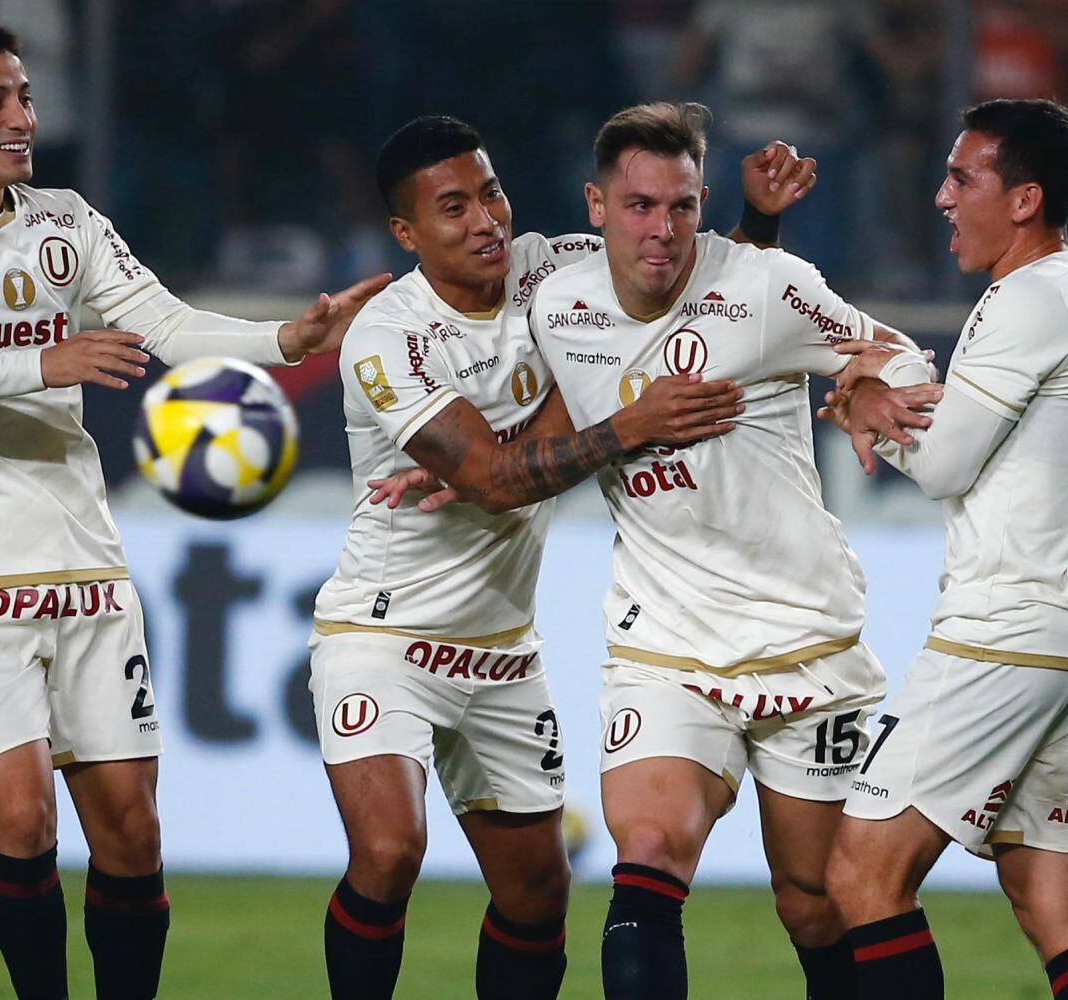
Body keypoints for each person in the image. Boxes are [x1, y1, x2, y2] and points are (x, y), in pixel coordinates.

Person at [0, 22, 389, 999]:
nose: (21, 119)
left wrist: (287, 338)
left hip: (83, 560)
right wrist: (43, 361)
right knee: (22, 824)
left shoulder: (65, 224)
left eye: (27, 98)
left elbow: (168, 324)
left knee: (130, 831)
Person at [381, 102, 936, 1000]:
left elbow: (889, 348)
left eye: (680, 207)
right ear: (596, 208)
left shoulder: (765, 285)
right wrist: (486, 471)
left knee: (815, 900)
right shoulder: (561, 304)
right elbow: (571, 417)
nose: (661, 229)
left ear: (702, 204)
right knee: (645, 856)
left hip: (806, 639)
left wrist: (874, 383)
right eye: (639, 206)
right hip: (664, 645)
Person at [311, 115, 814, 1000]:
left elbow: (690, 295)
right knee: (390, 851)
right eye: (454, 207)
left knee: (540, 894)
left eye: (493, 192)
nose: (486, 221)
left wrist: (760, 223)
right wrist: (627, 426)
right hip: (382, 635)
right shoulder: (387, 337)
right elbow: (496, 481)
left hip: (503, 651)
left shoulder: (555, 269)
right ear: (407, 234)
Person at [818, 99, 1068, 999]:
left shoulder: (1027, 297)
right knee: (1056, 904)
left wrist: (893, 381)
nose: (941, 197)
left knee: (862, 875)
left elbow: (944, 462)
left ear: (1025, 198)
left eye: (963, 178)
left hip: (1002, 630)